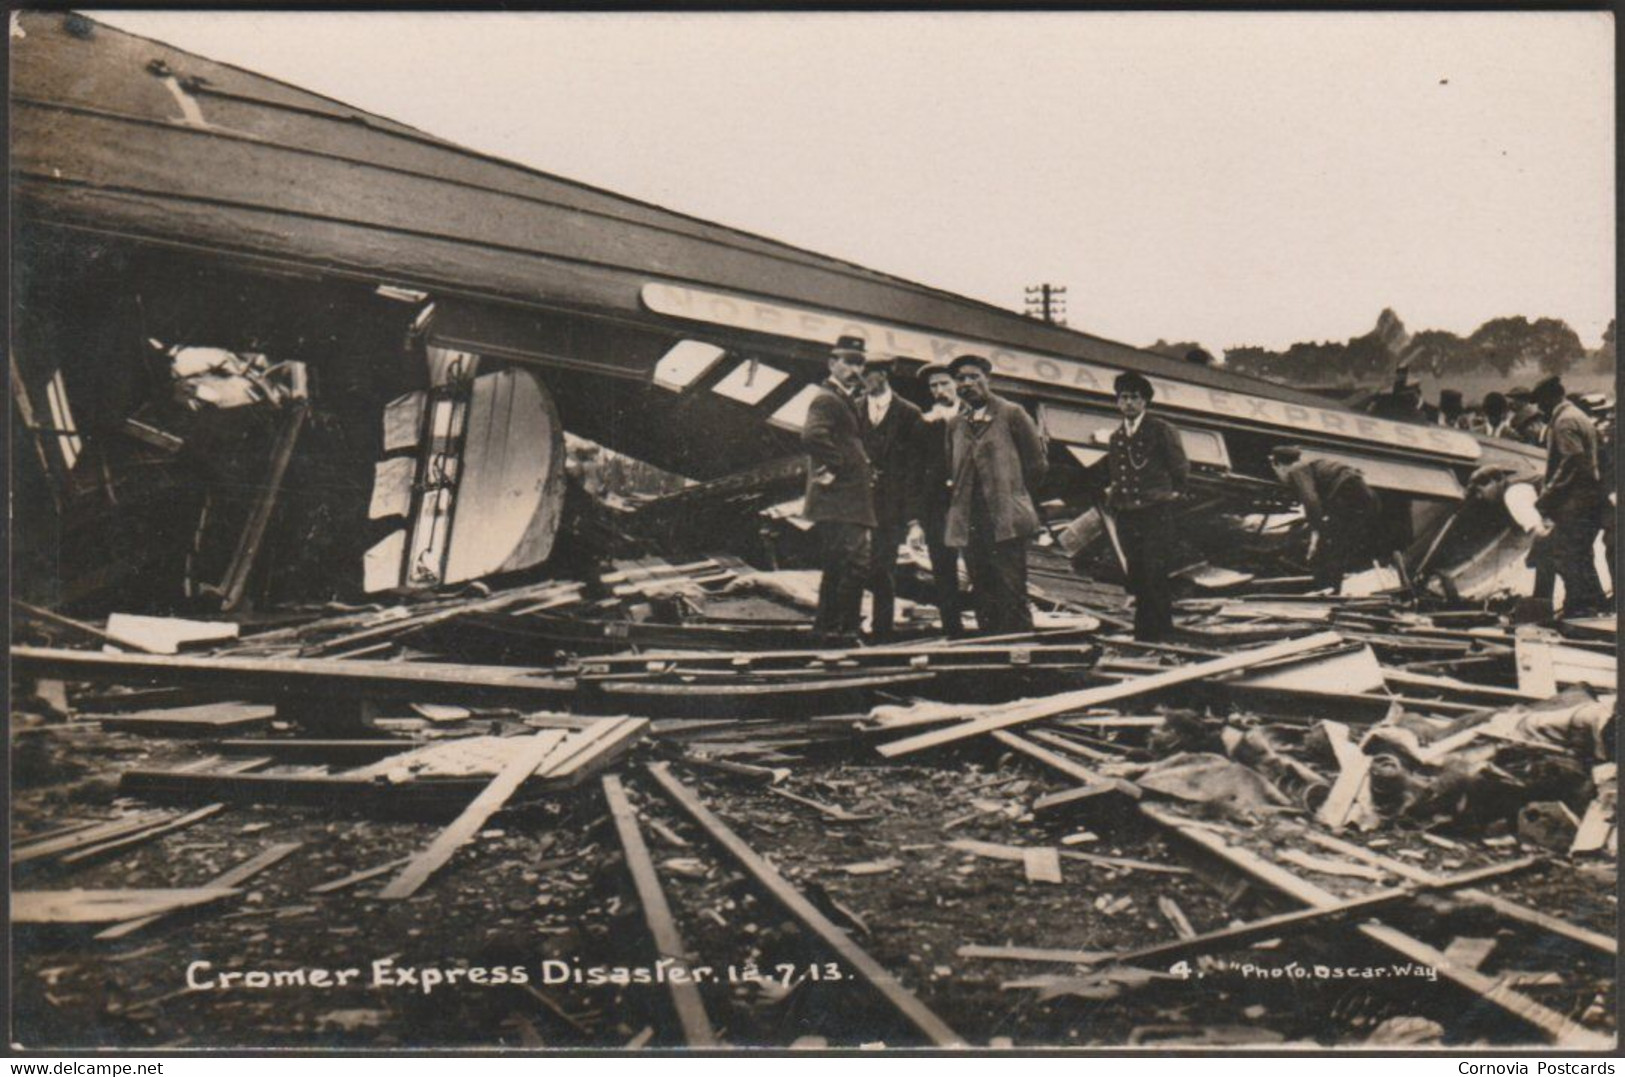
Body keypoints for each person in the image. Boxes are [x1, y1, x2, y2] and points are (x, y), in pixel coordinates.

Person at [943, 353, 1047, 635]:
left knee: (1011, 588)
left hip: (1005, 519)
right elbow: (950, 467)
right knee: (982, 589)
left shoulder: (1011, 413)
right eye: (961, 379)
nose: (967, 383)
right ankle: (991, 649)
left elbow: (1036, 465)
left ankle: (1021, 650)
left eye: (974, 377)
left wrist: (1014, 497)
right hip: (970, 520)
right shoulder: (956, 424)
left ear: (987, 379)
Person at [1102, 371, 1189, 640]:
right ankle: (1144, 632)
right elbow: (1116, 474)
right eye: (1123, 398)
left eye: (1134, 398)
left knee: (1155, 572)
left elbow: (1180, 468)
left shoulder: (1161, 429)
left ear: (1145, 402)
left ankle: (1162, 633)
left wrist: (1169, 495)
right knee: (1136, 573)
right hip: (1128, 512)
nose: (1128, 403)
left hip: (1155, 511)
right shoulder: (1117, 437)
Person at [802, 335, 875, 645]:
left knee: (837, 565)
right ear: (832, 363)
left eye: (859, 363)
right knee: (855, 564)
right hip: (842, 498)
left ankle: (828, 630)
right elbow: (812, 436)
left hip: (844, 499)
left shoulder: (844, 397)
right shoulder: (827, 398)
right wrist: (842, 467)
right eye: (847, 361)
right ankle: (845, 631)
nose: (854, 369)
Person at [857, 353, 926, 641]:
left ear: (883, 376)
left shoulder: (909, 413)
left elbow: (915, 468)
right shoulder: (854, 408)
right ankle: (851, 625)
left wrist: (913, 517)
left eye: (867, 375)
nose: (862, 381)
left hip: (892, 504)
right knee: (855, 564)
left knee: (883, 567)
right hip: (858, 501)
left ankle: (881, 629)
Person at [1531, 375, 1607, 617]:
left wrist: (1548, 495)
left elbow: (1571, 461)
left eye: (1541, 401)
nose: (1539, 407)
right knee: (1583, 554)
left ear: (1551, 397)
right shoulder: (1579, 416)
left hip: (1574, 501)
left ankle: (1579, 609)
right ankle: (1594, 605)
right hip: (1589, 499)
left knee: (1567, 554)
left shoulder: (1563, 421)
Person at [1269, 445, 1385, 594]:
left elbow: (1310, 500)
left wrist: (1316, 533)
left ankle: (1327, 589)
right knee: (1338, 548)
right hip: (1368, 500)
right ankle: (1333, 588)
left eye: (1275, 470)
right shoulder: (1316, 465)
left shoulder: (1297, 470)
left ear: (1279, 465)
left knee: (1325, 549)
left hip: (1348, 499)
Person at [916, 362, 965, 636]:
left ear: (956, 384)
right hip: (937, 506)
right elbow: (917, 469)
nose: (939, 390)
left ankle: (989, 629)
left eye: (944, 383)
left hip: (969, 504)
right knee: (943, 569)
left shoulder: (974, 417)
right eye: (933, 386)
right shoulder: (925, 423)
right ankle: (952, 629)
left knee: (979, 566)